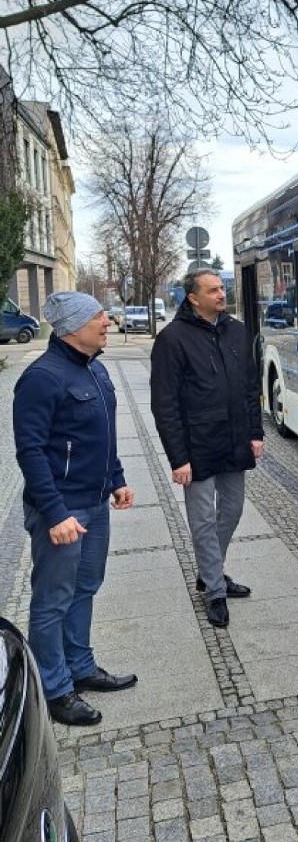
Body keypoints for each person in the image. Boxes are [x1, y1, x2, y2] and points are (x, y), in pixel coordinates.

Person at [13, 292, 137, 727]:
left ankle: (80, 667)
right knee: (52, 601)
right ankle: (55, 688)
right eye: (97, 316)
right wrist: (54, 513)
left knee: (86, 587)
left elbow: (103, 438)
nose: (107, 321)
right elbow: (30, 452)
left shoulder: (96, 370)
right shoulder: (42, 378)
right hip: (62, 512)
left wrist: (117, 479)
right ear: (71, 327)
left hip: (95, 503)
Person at [150, 269, 263, 629]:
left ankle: (209, 571)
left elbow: (250, 385)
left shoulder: (237, 330)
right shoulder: (171, 339)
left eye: (221, 288)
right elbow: (164, 403)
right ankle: (214, 589)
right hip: (196, 444)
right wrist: (177, 457)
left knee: (232, 510)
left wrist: (256, 432)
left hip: (234, 438)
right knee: (201, 520)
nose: (221, 294)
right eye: (212, 290)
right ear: (193, 298)